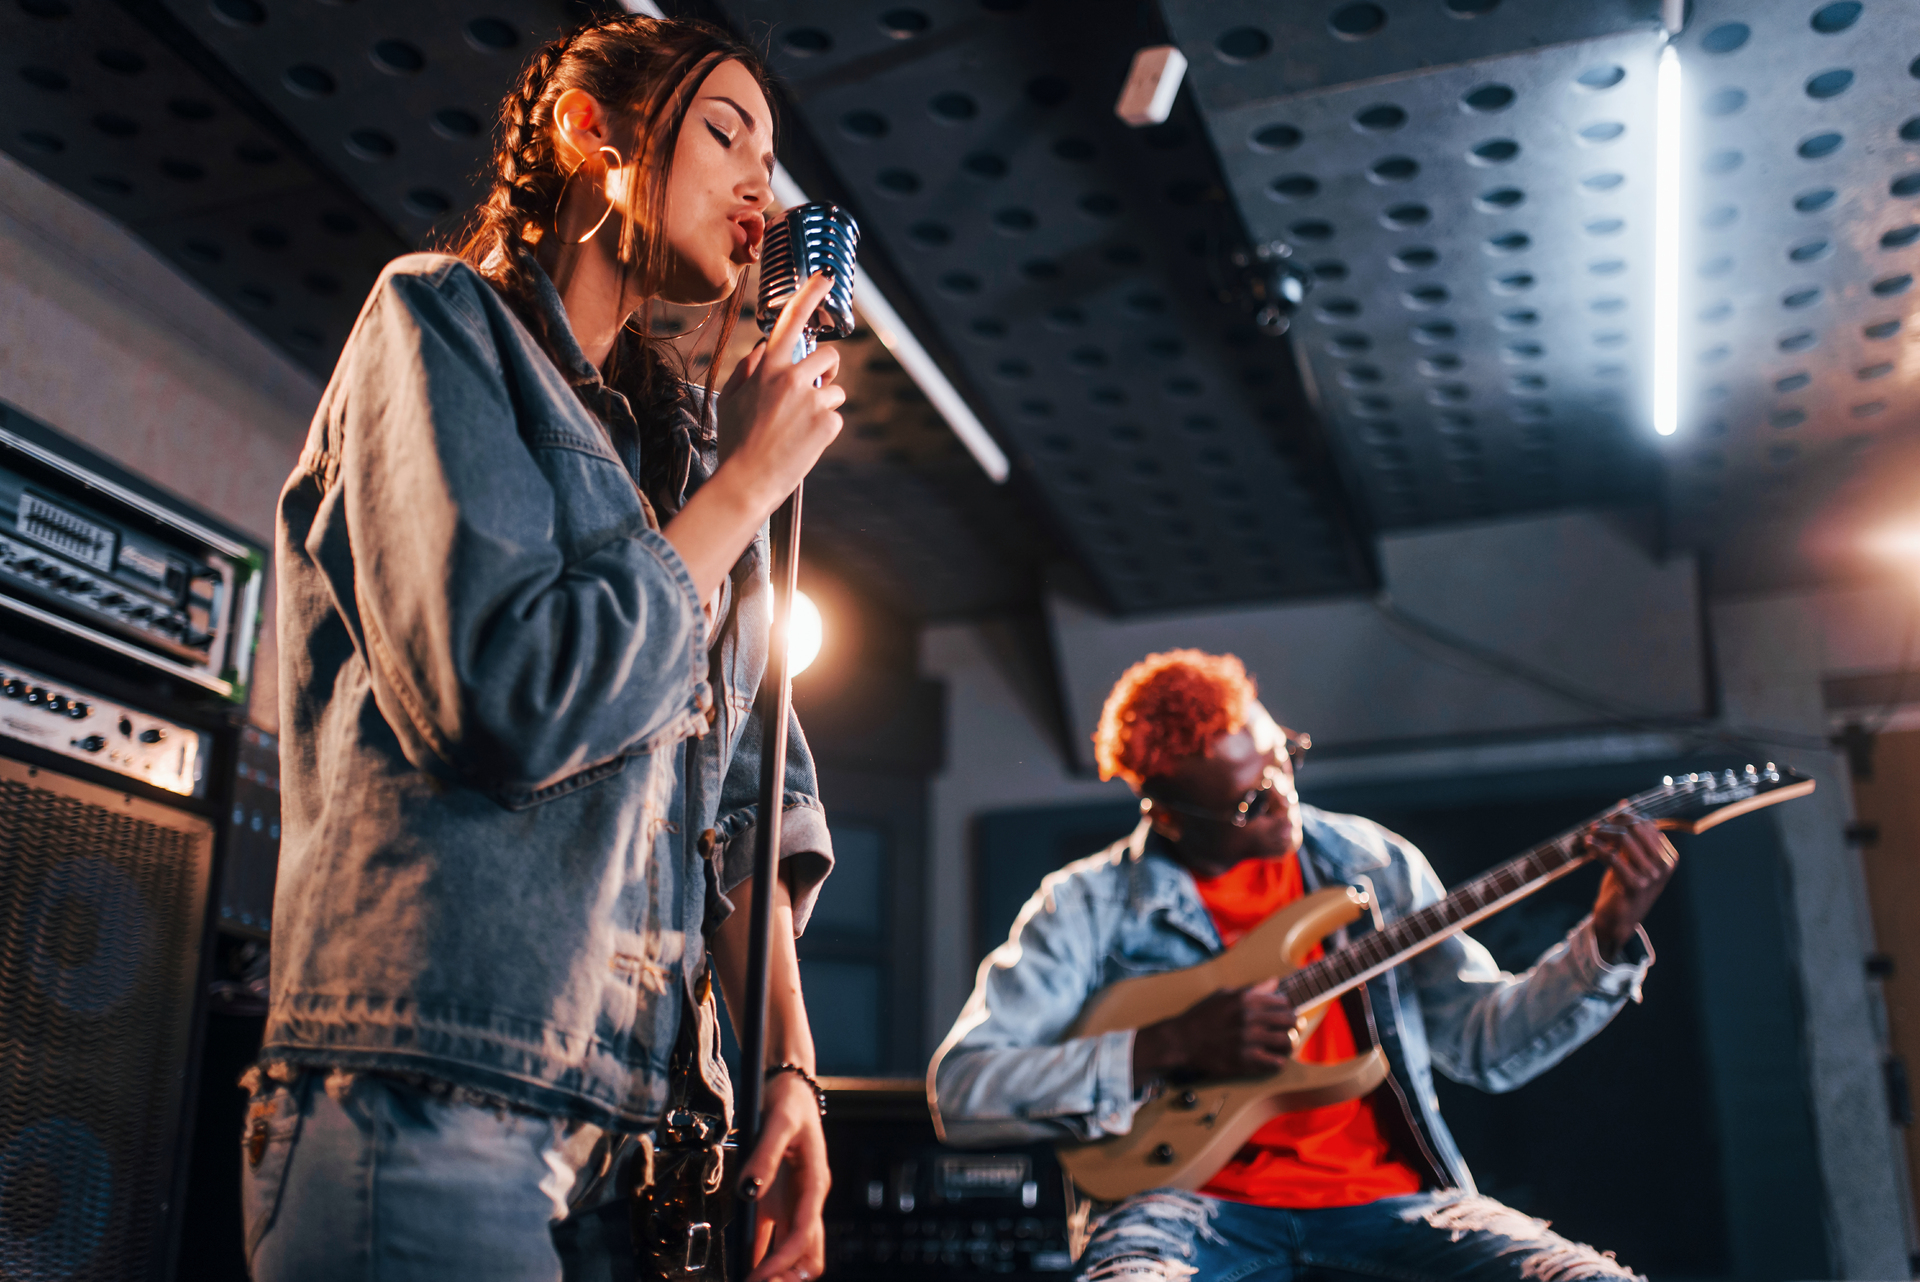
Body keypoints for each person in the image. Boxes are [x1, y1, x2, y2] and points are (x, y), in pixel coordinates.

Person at [246, 16, 840, 1282]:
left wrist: (787, 1065)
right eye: (726, 131)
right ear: (593, 133)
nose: (761, 185)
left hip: (637, 1150)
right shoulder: (440, 323)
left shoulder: (675, 467)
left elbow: (737, 808)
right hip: (440, 1092)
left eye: (774, 160)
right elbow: (506, 691)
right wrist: (746, 487)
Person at [930, 649, 1680, 1281]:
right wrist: (1171, 1045)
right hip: (1182, 1210)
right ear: (1166, 813)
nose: (1285, 796)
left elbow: (1484, 1044)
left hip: (1401, 1203)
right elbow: (964, 1091)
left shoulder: (1372, 863)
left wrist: (1608, 933)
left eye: (1284, 755)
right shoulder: (1084, 905)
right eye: (1252, 799)